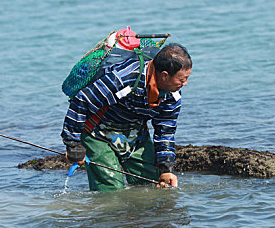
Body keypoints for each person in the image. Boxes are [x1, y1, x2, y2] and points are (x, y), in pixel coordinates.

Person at [61, 43, 192, 191]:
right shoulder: (124, 79)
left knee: (152, 185)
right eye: (182, 80)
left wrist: (166, 168)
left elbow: (165, 132)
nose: (185, 84)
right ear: (164, 75)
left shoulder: (172, 96)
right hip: (97, 131)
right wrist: (73, 144)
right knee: (111, 189)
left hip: (134, 131)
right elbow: (82, 101)